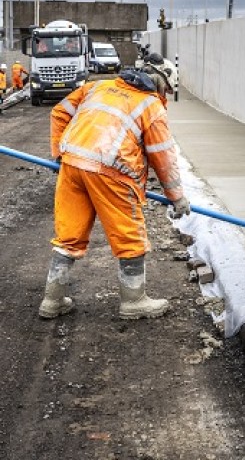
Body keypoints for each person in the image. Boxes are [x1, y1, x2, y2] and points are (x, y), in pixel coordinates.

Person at [39, 60, 190, 320]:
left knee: (68, 236)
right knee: (129, 236)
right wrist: (177, 197)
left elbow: (59, 113)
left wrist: (58, 155)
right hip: (112, 173)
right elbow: (163, 157)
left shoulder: (97, 87)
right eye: (166, 89)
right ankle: (134, 301)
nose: (165, 95)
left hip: (73, 165)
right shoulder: (150, 105)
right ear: (160, 83)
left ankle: (52, 301)